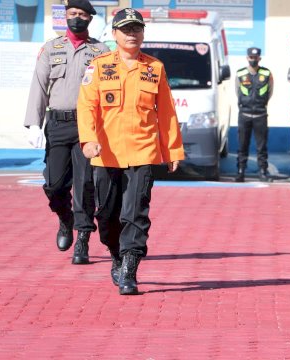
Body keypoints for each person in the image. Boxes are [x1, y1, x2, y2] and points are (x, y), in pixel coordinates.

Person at [76, 8, 184, 295]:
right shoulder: (98, 67)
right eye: (126, 29)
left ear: (143, 33)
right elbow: (86, 106)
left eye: (137, 29)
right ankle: (116, 254)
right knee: (107, 215)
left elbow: (167, 113)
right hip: (106, 153)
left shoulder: (155, 68)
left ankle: (130, 267)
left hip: (143, 151)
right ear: (114, 35)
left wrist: (172, 150)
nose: (132, 34)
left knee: (135, 213)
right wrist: (87, 140)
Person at [24, 0, 108, 264]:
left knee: (85, 184)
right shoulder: (51, 48)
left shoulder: (101, 51)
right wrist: (34, 123)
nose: (76, 18)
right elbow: (38, 86)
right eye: (72, 13)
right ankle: (64, 218)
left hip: (88, 125)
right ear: (65, 16)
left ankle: (82, 238)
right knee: (54, 183)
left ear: (90, 19)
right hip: (58, 123)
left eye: (82, 14)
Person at [235, 47, 274, 182]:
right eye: (251, 58)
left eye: (256, 58)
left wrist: (261, 104)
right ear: (247, 58)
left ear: (259, 58)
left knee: (261, 147)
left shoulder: (267, 73)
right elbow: (237, 91)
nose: (253, 60)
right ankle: (240, 171)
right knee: (242, 146)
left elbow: (270, 92)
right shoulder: (240, 74)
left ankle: (263, 171)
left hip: (260, 114)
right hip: (244, 114)